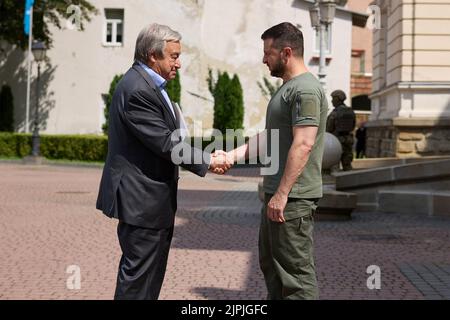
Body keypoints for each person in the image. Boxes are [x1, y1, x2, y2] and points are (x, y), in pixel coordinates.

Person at [96, 23, 231, 300]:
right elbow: (166, 143)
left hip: (150, 202)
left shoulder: (149, 85)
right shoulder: (138, 90)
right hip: (141, 202)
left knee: (148, 280)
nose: (179, 64)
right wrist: (207, 161)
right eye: (173, 56)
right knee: (138, 283)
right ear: (152, 56)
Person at [218, 22, 327, 299]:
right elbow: (271, 137)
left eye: (268, 53)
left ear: (286, 52)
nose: (264, 59)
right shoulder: (288, 88)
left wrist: (282, 194)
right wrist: (231, 155)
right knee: (273, 269)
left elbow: (303, 144)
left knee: (296, 279)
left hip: (292, 199)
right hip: (279, 196)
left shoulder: (305, 90)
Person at [326, 90, 356, 171]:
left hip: (336, 142)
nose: (332, 100)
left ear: (338, 99)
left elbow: (328, 128)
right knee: (347, 166)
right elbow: (353, 126)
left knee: (334, 166)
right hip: (348, 141)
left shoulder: (334, 113)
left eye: (333, 98)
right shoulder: (351, 111)